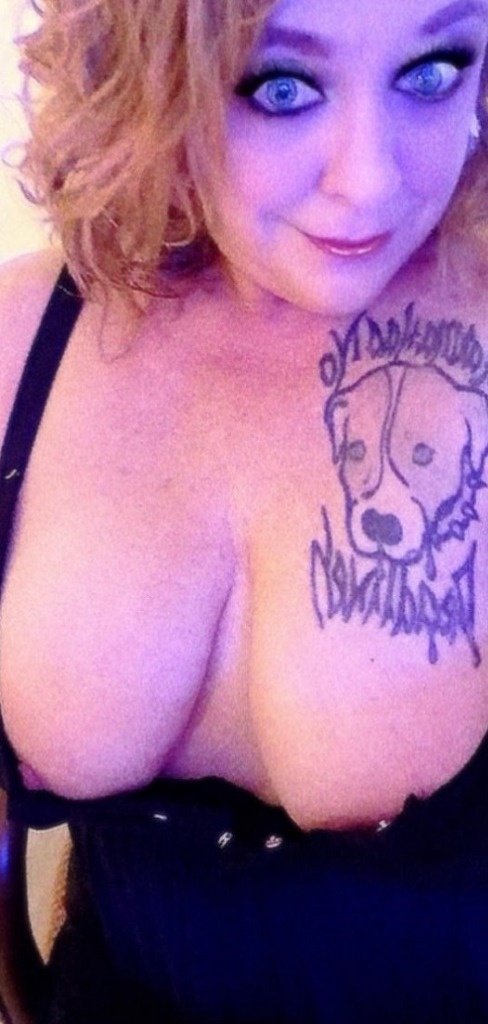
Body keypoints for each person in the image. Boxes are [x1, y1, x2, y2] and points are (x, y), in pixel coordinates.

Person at [1, 0, 488, 1019]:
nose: (369, 179)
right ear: (144, 75)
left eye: (434, 70)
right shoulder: (20, 343)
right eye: (281, 85)